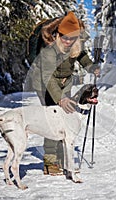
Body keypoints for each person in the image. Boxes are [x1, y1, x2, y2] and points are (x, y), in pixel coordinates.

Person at [29, 11, 99, 175]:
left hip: (64, 82)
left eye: (71, 38)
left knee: (66, 119)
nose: (67, 41)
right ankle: (50, 163)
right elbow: (47, 77)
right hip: (45, 83)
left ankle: (64, 160)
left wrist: (91, 67)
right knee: (53, 120)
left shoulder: (75, 43)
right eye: (64, 37)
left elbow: (81, 56)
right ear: (58, 34)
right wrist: (60, 98)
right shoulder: (49, 49)